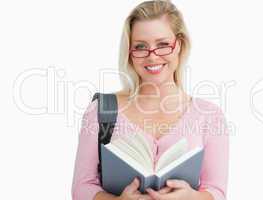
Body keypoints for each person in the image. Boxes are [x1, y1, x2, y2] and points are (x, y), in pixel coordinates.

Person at [72, 0, 229, 200]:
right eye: (140, 47)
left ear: (179, 45)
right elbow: (81, 188)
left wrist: (192, 197)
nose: (152, 57)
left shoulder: (210, 115)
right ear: (129, 53)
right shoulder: (100, 111)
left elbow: (217, 191)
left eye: (163, 45)